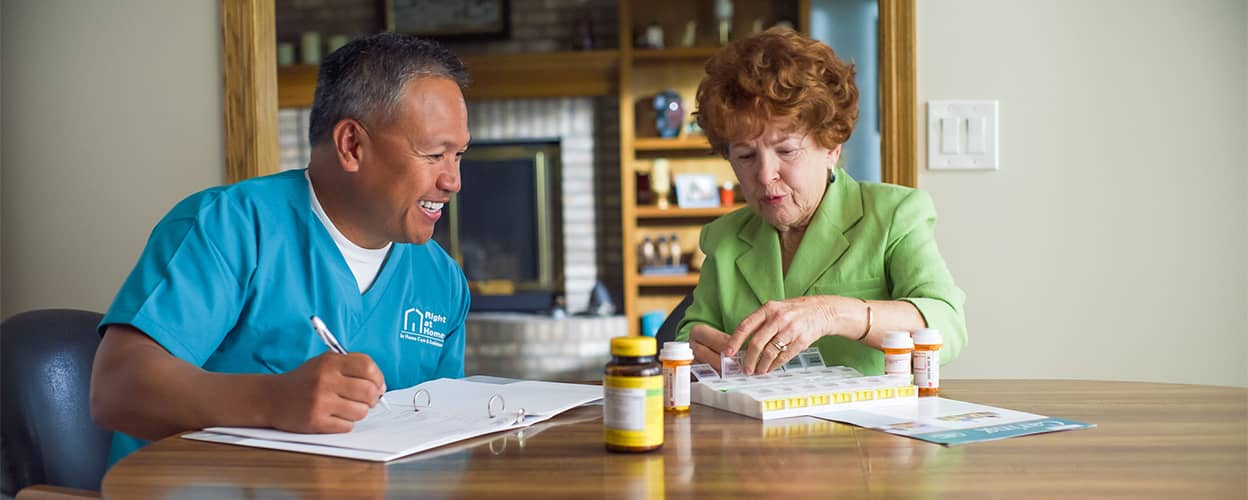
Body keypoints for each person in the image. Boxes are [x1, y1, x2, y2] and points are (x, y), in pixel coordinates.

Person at [90, 33, 472, 466]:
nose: (452, 181)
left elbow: (441, 436)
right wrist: (273, 401)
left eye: (458, 155)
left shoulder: (442, 281)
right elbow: (117, 390)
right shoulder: (226, 227)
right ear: (352, 145)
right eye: (435, 154)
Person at [676, 28, 966, 376]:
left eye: (786, 150)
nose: (766, 175)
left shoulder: (894, 215)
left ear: (831, 146)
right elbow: (690, 334)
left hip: (868, 427)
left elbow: (947, 326)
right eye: (745, 155)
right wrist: (694, 350)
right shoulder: (724, 237)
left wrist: (832, 313)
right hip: (753, 426)